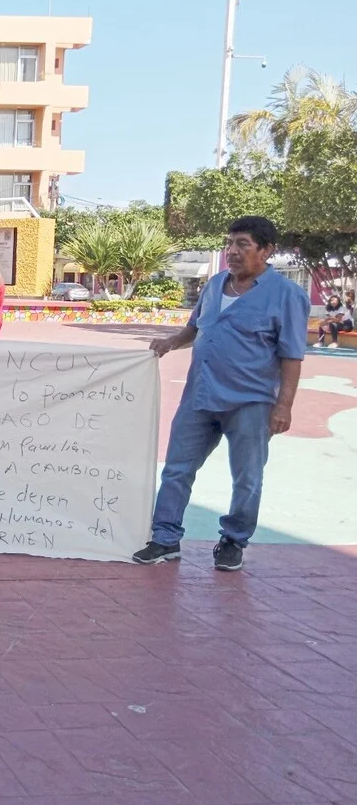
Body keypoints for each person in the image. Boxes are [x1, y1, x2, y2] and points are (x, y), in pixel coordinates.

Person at [134, 216, 308, 572]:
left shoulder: (287, 295)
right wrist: (171, 342)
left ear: (266, 250)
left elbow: (292, 355)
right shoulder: (215, 285)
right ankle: (165, 538)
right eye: (230, 243)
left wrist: (284, 406)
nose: (232, 251)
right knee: (177, 469)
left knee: (247, 477)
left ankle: (233, 540)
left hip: (251, 402)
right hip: (200, 397)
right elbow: (194, 328)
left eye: (243, 244)